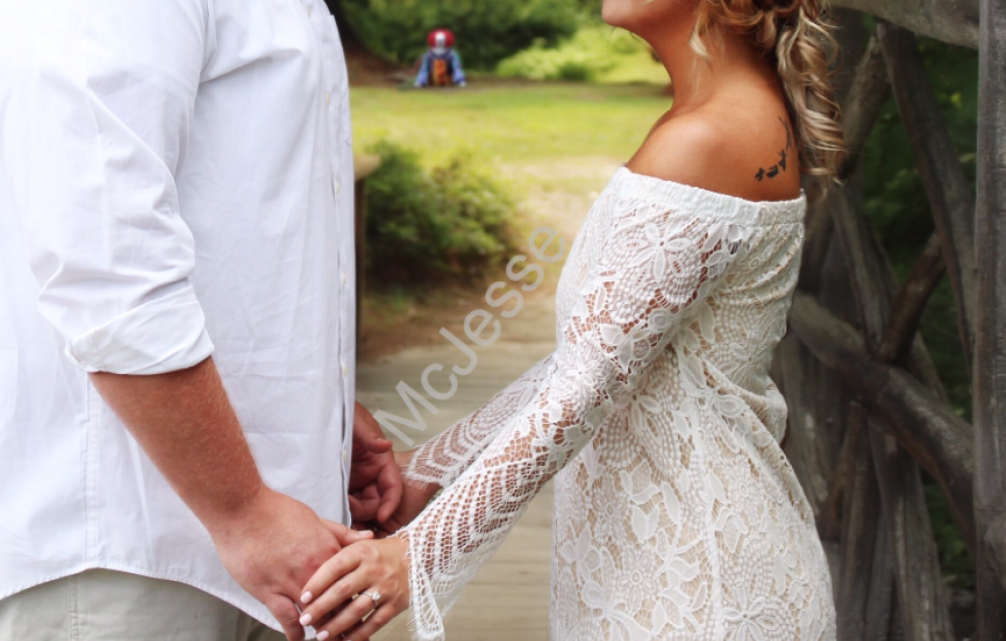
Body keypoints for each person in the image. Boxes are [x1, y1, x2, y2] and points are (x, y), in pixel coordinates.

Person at [298, 0, 844, 639]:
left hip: (695, 583)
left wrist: (418, 553)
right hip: (661, 557)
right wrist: (430, 472)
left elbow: (584, 389)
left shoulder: (709, 138)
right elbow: (597, 362)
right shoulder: (722, 117)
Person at [0, 1, 401, 640]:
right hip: (110, 560)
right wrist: (242, 510)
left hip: (233, 538)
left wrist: (310, 412)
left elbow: (232, 200)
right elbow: (107, 261)